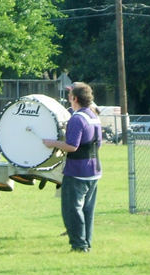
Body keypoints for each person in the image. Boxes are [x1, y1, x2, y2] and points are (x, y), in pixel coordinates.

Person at [42, 82, 102, 253]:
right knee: (87, 210)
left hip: (78, 171)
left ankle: (79, 245)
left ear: (75, 98)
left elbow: (72, 146)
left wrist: (52, 143)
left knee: (72, 209)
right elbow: (98, 145)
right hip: (94, 169)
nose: (69, 99)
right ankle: (86, 243)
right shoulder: (93, 116)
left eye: (70, 96)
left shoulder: (77, 118)